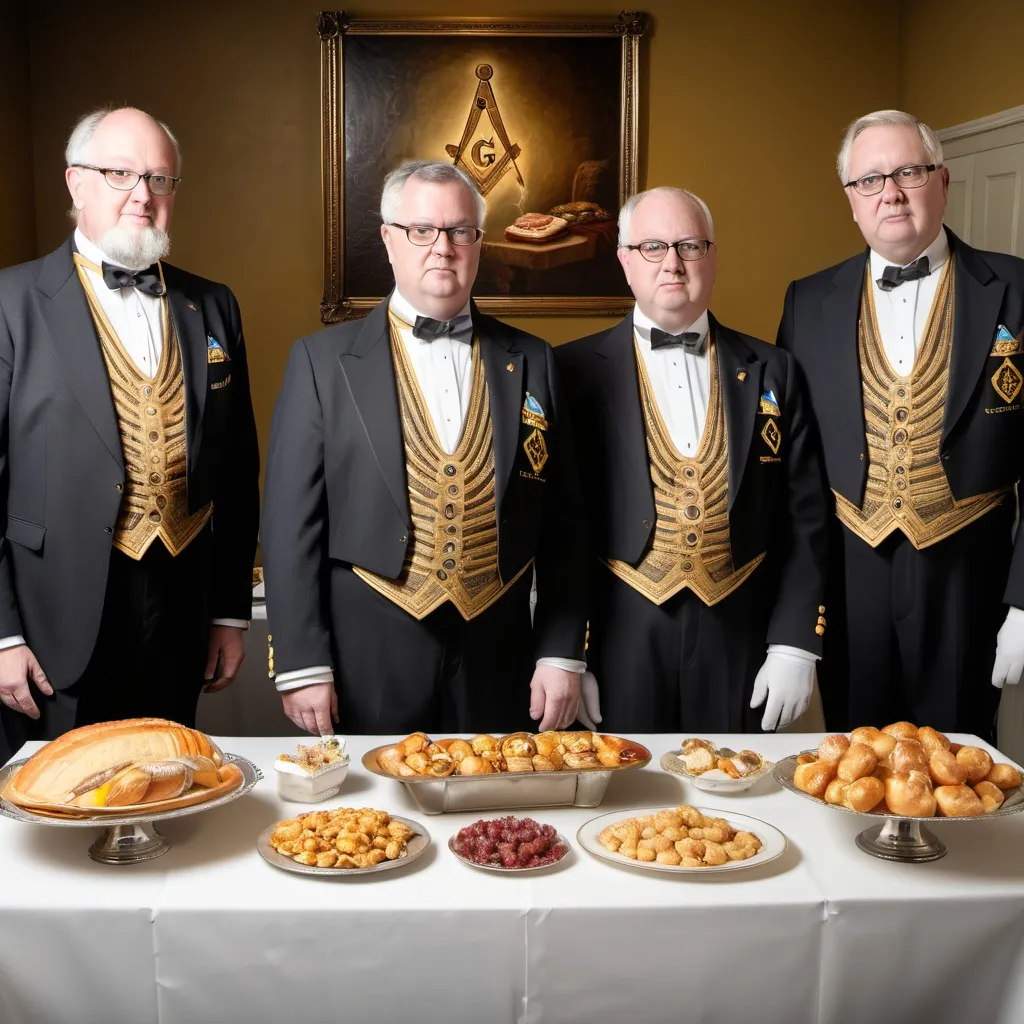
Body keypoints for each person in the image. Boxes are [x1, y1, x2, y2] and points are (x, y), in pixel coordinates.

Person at [262, 160, 587, 736]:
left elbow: (565, 525)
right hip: (367, 657)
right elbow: (291, 525)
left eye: (460, 231)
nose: (443, 247)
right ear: (389, 239)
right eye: (422, 230)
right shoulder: (320, 362)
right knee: (374, 824)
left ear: (479, 244)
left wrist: (561, 652)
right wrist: (301, 663)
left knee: (496, 820)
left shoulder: (535, 360)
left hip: (499, 653)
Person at [0, 106, 259, 748]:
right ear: (75, 184)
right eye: (120, 174)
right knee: (55, 810)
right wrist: (2, 633)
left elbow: (235, 470)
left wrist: (229, 613)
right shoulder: (10, 303)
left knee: (170, 790)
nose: (142, 195)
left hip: (181, 606)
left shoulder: (214, 303)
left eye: (158, 179)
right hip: (49, 616)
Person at [778, 109, 1024, 738]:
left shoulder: (1018, 289)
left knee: (964, 774)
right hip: (848, 574)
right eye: (870, 180)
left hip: (971, 576)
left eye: (907, 172)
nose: (889, 192)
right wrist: (793, 624)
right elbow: (794, 475)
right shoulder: (807, 300)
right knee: (854, 769)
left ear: (941, 180)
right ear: (851, 201)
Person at [555, 187, 827, 732]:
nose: (673, 264)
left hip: (742, 633)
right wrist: (568, 652)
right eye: (653, 246)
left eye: (689, 245)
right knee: (629, 809)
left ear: (712, 255)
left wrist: (797, 643)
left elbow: (806, 520)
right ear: (625, 261)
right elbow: (561, 530)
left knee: (737, 805)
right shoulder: (569, 371)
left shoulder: (776, 370)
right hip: (619, 634)